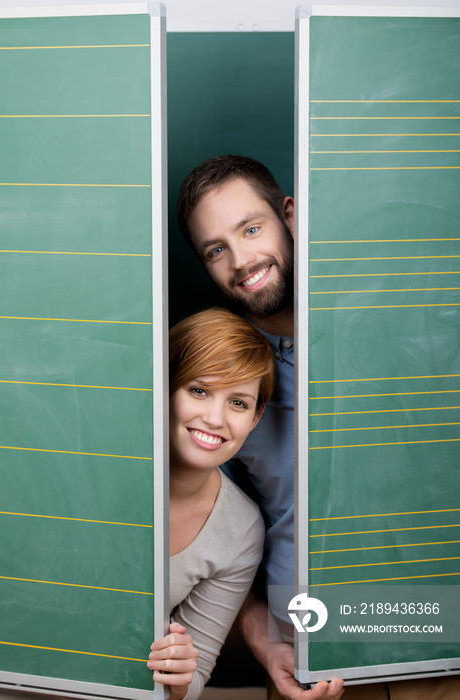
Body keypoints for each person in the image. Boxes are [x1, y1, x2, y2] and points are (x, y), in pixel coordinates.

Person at [175, 155, 460, 700]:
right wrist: (266, 646)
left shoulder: (409, 319)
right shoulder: (219, 394)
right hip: (308, 655)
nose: (241, 260)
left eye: (251, 228)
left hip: (437, 633)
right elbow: (226, 546)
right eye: (216, 250)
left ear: (289, 215)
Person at [147, 307, 275, 700]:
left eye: (238, 403)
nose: (215, 418)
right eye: (199, 390)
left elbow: (196, 675)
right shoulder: (91, 469)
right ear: (165, 385)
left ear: (255, 418)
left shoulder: (240, 529)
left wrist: (181, 672)